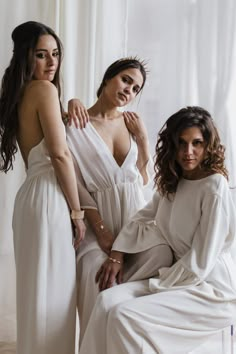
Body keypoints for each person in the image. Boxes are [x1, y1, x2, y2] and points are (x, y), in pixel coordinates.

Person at [79, 106, 236, 354]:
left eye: (197, 143)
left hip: (209, 288)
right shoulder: (174, 181)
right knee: (105, 301)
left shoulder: (213, 186)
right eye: (181, 143)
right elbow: (142, 217)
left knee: (123, 316)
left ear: (208, 145)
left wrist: (157, 285)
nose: (188, 152)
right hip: (177, 277)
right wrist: (117, 253)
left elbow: (201, 261)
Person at [66, 58, 173, 344]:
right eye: (126, 80)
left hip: (134, 221)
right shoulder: (75, 123)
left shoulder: (131, 124)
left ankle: (133, 343)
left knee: (163, 256)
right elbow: (76, 186)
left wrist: (143, 140)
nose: (129, 90)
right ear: (107, 78)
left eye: (136, 88)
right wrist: (101, 231)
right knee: (98, 276)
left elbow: (142, 178)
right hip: (96, 224)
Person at [0, 21, 86, 354]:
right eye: (41, 55)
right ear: (26, 57)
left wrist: (73, 103)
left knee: (38, 291)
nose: (51, 62)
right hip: (49, 198)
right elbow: (61, 155)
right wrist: (77, 212)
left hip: (30, 199)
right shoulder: (44, 91)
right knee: (53, 294)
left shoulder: (20, 93)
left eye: (56, 54)